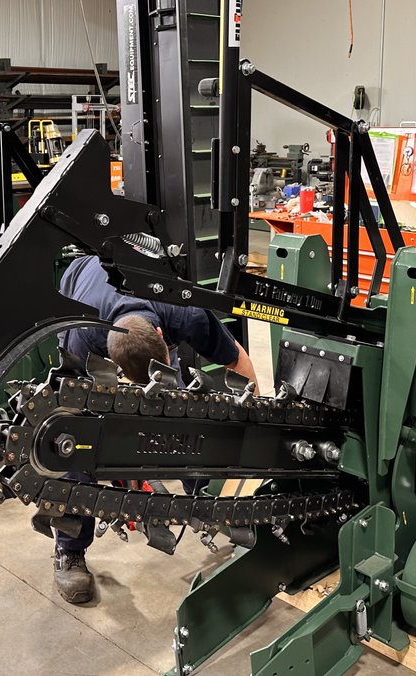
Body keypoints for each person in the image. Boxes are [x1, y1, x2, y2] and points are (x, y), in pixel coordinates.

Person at [50, 254, 257, 604]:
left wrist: (255, 422)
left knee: (178, 415)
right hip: (83, 286)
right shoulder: (82, 336)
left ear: (165, 336)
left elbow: (237, 359)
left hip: (144, 297)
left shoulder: (183, 309)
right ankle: (68, 550)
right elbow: (68, 402)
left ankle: (205, 501)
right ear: (111, 359)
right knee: (76, 445)